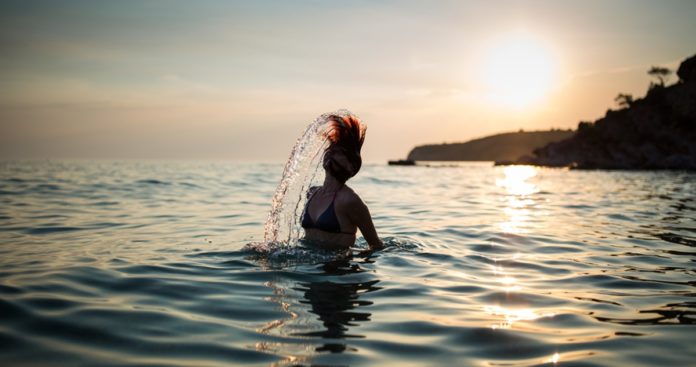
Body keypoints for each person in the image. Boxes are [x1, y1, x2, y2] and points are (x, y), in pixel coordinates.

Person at [301, 113, 384, 252]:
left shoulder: (350, 201)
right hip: (307, 270)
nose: (330, 152)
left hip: (338, 269)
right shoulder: (311, 193)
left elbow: (376, 246)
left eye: (337, 151)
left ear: (351, 167)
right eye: (330, 148)